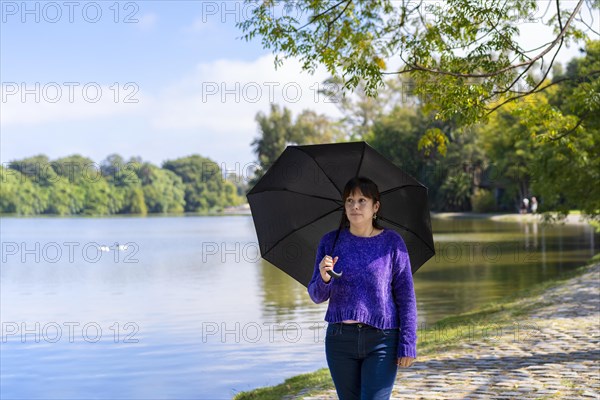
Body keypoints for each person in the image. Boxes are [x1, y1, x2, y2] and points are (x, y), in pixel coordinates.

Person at [307, 176, 417, 400]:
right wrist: (323, 277)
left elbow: (406, 298)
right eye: (349, 200)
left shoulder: (392, 244)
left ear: (375, 206)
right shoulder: (330, 242)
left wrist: (408, 343)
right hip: (340, 340)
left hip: (382, 340)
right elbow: (316, 296)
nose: (354, 206)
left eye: (362, 200)